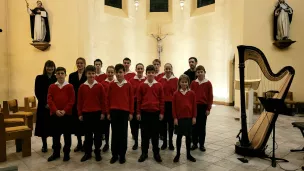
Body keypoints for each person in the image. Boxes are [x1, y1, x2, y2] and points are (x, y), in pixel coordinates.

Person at [78, 65, 106, 162]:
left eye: (93, 73)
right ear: (86, 74)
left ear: (95, 74)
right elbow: (80, 102)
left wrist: (103, 112)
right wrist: (80, 114)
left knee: (97, 135)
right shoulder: (82, 87)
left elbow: (103, 101)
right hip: (86, 114)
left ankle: (97, 151)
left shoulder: (99, 86)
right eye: (89, 73)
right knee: (88, 135)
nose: (91, 75)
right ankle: (88, 153)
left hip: (97, 114)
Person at [107, 64, 134, 164]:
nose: (118, 74)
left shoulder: (128, 85)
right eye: (117, 72)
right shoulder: (112, 84)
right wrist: (108, 112)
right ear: (115, 73)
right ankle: (114, 155)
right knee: (115, 134)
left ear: (124, 73)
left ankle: (122, 155)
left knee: (123, 134)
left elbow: (131, 99)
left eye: (120, 72)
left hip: (124, 112)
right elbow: (108, 99)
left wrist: (131, 112)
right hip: (114, 112)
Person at [137, 65, 164, 163]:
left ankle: (156, 153)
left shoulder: (159, 85)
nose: (150, 74)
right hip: (144, 113)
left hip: (155, 113)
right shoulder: (142, 85)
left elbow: (161, 100)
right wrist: (138, 112)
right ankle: (144, 153)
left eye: (152, 72)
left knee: (155, 135)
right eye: (149, 72)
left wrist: (161, 112)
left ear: (155, 73)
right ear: (146, 73)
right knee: (144, 135)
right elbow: (139, 100)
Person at [47, 67, 75, 162]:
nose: (60, 75)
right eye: (58, 73)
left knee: (67, 135)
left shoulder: (70, 86)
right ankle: (56, 153)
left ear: (65, 75)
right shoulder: (52, 87)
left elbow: (72, 100)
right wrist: (56, 111)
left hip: (66, 115)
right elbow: (50, 100)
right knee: (56, 135)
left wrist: (64, 110)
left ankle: (66, 153)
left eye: (62, 73)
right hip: (55, 115)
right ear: (56, 75)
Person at [172, 74, 196, 163]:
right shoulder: (176, 94)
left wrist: (194, 117)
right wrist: (175, 118)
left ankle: (188, 154)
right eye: (182, 82)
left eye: (186, 82)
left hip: (189, 118)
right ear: (179, 83)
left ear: (188, 83)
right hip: (179, 119)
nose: (184, 84)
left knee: (189, 137)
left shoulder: (192, 93)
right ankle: (178, 154)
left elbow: (194, 106)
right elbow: (173, 107)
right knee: (179, 137)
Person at [34, 60, 56, 153]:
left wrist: (52, 105)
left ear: (54, 68)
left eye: (51, 66)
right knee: (44, 126)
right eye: (48, 66)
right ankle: (44, 145)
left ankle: (55, 144)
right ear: (45, 67)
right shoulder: (39, 78)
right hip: (43, 106)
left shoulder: (56, 78)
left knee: (54, 126)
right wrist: (45, 103)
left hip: (53, 106)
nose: (50, 68)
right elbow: (38, 92)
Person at [190, 65, 213, 151]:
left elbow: (210, 97)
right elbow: (191, 96)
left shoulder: (208, 83)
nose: (200, 73)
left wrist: (208, 109)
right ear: (196, 73)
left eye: (201, 72)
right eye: (198, 72)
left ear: (204, 72)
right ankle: (194, 143)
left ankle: (201, 144)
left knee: (202, 126)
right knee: (194, 126)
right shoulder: (193, 83)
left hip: (203, 107)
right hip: (195, 107)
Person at [68, 57, 87, 152]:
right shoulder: (72, 75)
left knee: (85, 124)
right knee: (77, 124)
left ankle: (85, 143)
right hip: (75, 103)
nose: (79, 65)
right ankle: (79, 143)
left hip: (85, 102)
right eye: (78, 63)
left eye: (81, 63)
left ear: (84, 64)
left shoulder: (88, 75)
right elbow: (70, 90)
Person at [158, 63, 178, 151]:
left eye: (169, 68)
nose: (168, 70)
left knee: (171, 125)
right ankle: (165, 143)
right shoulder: (160, 80)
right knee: (163, 125)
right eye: (166, 69)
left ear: (172, 69)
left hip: (172, 105)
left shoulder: (176, 80)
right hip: (163, 104)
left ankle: (171, 143)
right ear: (164, 69)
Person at [129, 63, 146, 150]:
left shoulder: (146, 80)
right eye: (138, 68)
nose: (139, 70)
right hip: (134, 104)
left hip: (144, 105)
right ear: (136, 70)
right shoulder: (131, 81)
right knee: (134, 125)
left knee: (143, 126)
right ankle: (135, 142)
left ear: (143, 70)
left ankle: (143, 143)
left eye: (141, 68)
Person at [100, 66, 115, 152]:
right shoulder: (102, 83)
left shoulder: (116, 82)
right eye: (108, 72)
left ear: (114, 73)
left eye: (112, 72)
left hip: (113, 109)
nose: (110, 74)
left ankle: (114, 144)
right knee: (106, 128)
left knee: (114, 128)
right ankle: (106, 143)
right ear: (106, 73)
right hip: (105, 109)